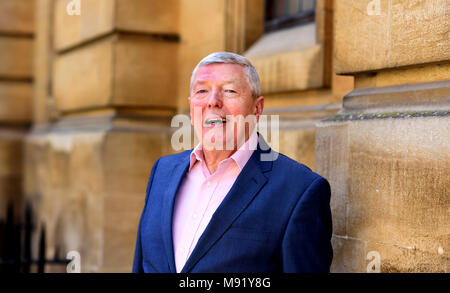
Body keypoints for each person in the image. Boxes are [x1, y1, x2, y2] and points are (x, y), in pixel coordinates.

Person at [132, 52, 333, 273]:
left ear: (257, 109)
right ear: (191, 107)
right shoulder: (163, 171)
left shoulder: (299, 190)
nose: (213, 102)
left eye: (229, 91)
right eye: (201, 91)